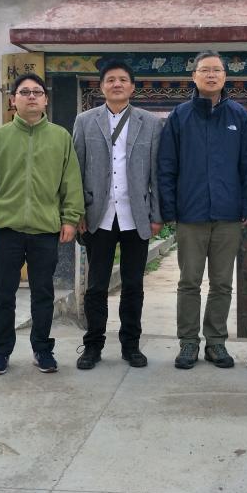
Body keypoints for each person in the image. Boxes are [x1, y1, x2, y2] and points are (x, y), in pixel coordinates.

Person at [0, 73, 84, 376]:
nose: (31, 96)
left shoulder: (60, 137)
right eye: (24, 92)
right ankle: (0, 352)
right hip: (6, 229)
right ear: (13, 100)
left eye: (37, 92)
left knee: (43, 294)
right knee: (3, 295)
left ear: (45, 100)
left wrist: (70, 218)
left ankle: (42, 350)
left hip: (45, 230)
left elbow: (70, 181)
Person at [159, 50, 247, 369]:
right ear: (194, 76)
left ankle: (216, 342)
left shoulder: (238, 115)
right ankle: (188, 342)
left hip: (228, 214)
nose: (211, 75)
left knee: (222, 283)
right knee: (189, 281)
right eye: (205, 70)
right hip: (191, 213)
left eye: (216, 70)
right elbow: (167, 165)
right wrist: (170, 208)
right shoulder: (180, 116)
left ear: (225, 76)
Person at [72, 60, 163, 369]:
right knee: (96, 286)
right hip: (97, 214)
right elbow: (75, 170)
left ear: (132, 87)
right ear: (102, 87)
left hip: (136, 214)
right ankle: (93, 346)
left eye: (123, 79)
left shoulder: (150, 123)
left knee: (133, 285)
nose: (117, 84)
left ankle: (131, 345)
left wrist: (156, 214)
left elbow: (156, 173)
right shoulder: (85, 121)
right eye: (110, 80)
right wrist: (77, 212)